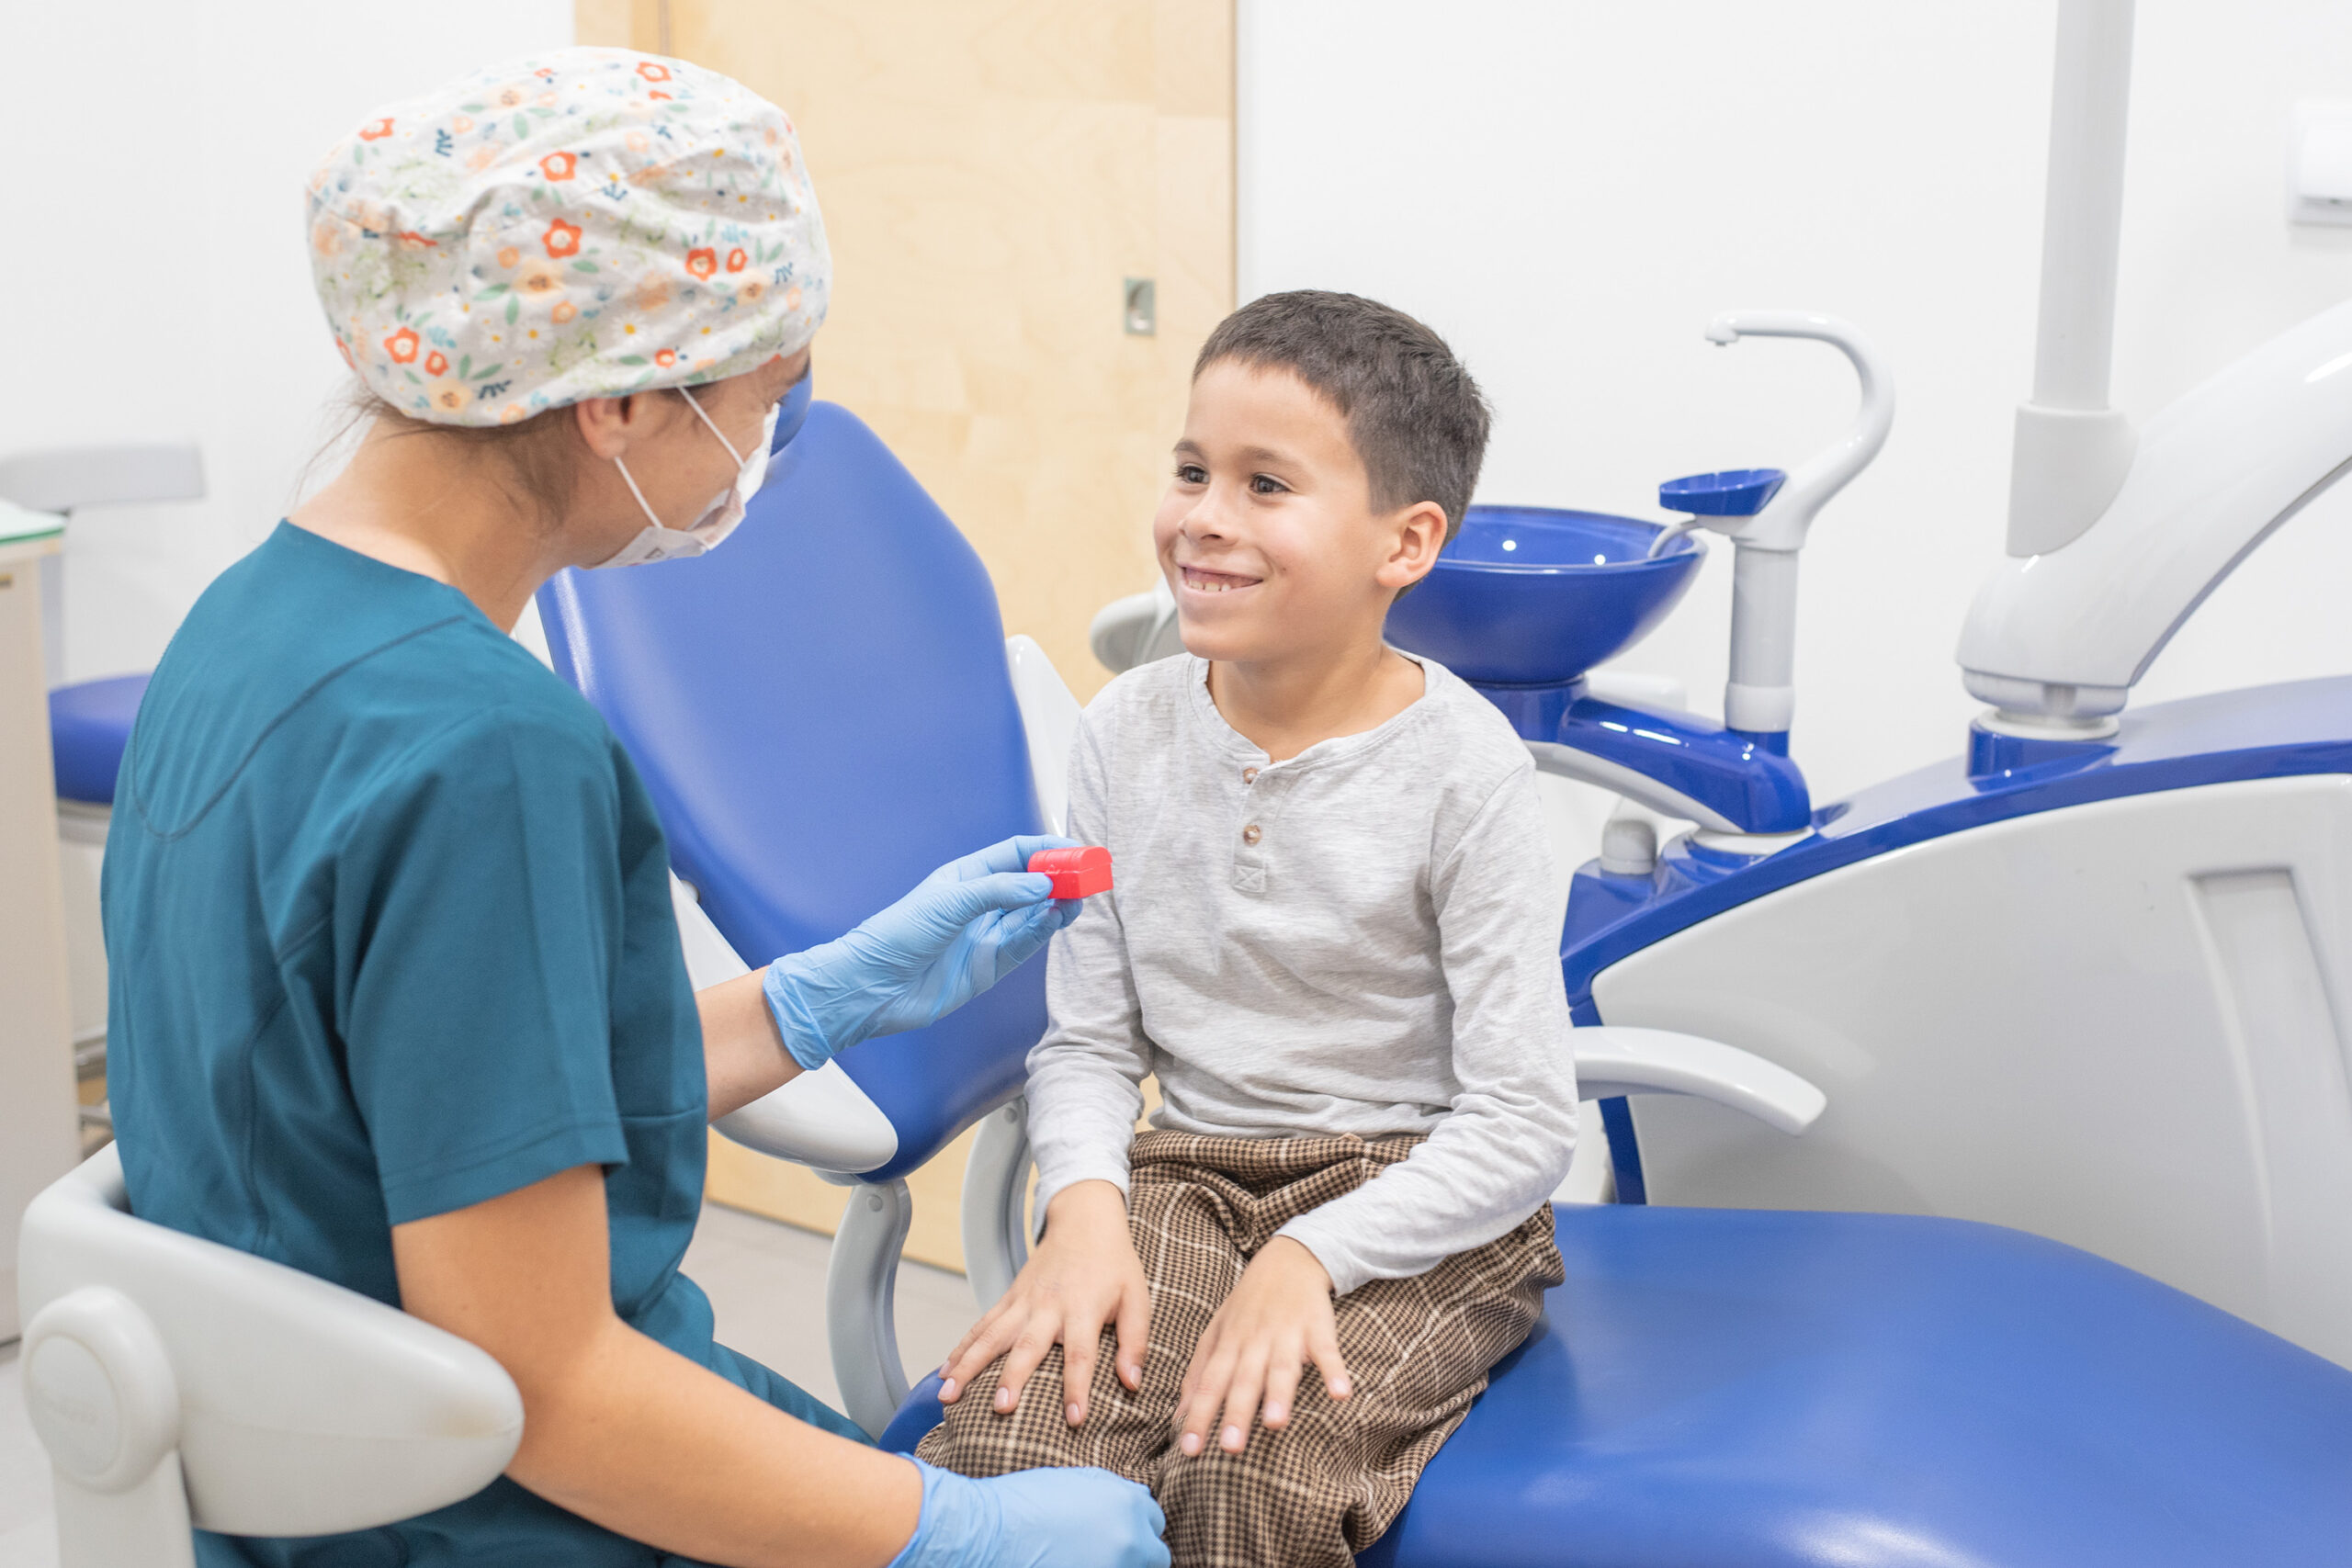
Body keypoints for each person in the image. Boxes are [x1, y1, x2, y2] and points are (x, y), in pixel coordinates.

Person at [103, 46, 1166, 1568]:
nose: (768, 453)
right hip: (474, 1514)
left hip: (298, 1464)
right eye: (765, 400)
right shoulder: (487, 748)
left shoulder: (247, 625)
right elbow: (548, 1389)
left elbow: (429, 1114)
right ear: (617, 401)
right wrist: (946, 1531)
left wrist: (809, 1002)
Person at [919, 291, 1582, 1565]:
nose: (1204, 518)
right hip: (1191, 1172)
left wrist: (1305, 1259)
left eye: (1266, 484)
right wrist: (1086, 1209)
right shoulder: (1128, 729)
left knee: (1245, 1473)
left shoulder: (1467, 775)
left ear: (1407, 542)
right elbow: (1091, 1045)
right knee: (1012, 1438)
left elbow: (1521, 1123)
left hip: (1414, 1197)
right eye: (1190, 469)